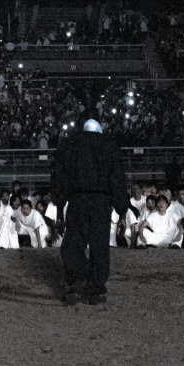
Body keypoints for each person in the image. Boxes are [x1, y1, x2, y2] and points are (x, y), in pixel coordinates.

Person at [50, 118, 128, 306]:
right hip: (101, 202)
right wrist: (122, 212)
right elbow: (117, 179)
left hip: (78, 200)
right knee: (99, 246)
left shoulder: (69, 146)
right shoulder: (109, 146)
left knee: (72, 244)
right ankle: (96, 287)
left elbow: (59, 178)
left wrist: (60, 212)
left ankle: (78, 281)